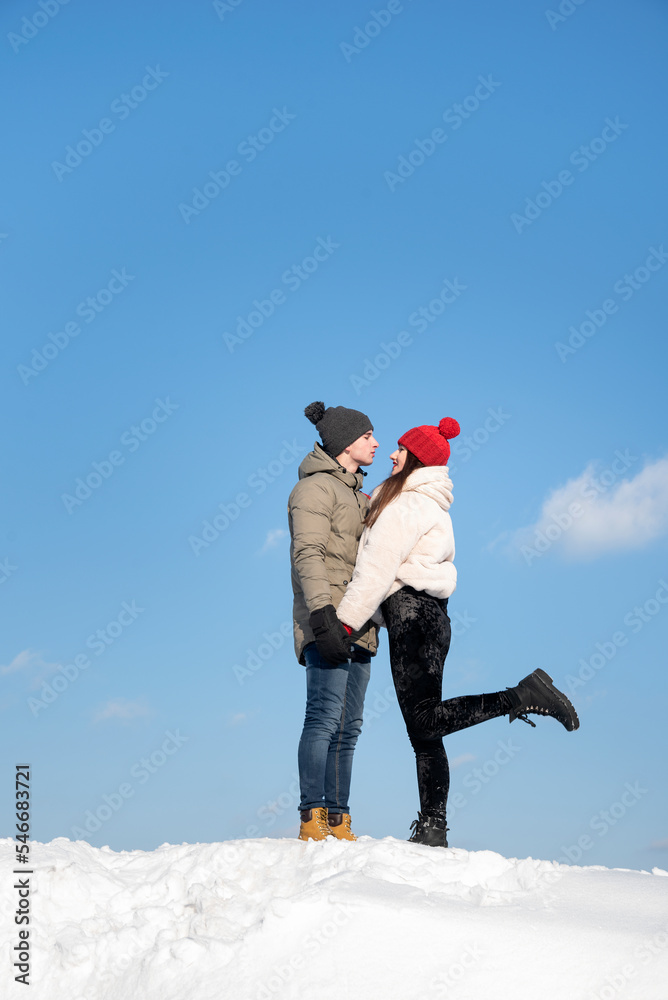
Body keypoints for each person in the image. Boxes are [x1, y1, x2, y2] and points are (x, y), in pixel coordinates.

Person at [336, 417, 579, 848]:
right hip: (432, 617)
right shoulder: (429, 503)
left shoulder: (406, 504)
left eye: (400, 450)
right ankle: (433, 827)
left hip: (411, 615)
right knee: (425, 732)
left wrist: (346, 623)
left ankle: (523, 694)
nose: (392, 454)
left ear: (416, 460)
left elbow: (376, 570)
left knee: (425, 720)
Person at [288, 401, 380, 842]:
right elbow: (308, 553)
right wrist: (322, 614)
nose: (376, 443)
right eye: (367, 436)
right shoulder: (314, 490)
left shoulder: (360, 496)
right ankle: (313, 816)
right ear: (346, 442)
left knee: (350, 726)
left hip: (361, 623)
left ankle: (340, 819)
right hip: (327, 619)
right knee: (323, 717)